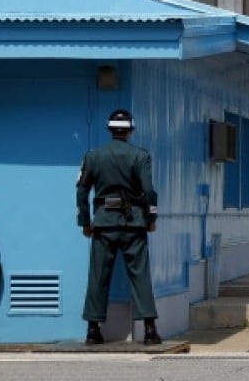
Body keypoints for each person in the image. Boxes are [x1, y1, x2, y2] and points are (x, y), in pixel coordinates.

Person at [76, 108, 162, 345]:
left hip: (103, 223)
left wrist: (85, 221)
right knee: (140, 275)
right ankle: (150, 330)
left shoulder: (93, 156)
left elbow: (82, 190)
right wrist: (150, 219)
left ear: (110, 129)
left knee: (98, 276)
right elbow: (149, 191)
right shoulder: (140, 156)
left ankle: (93, 330)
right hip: (133, 222)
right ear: (131, 130)